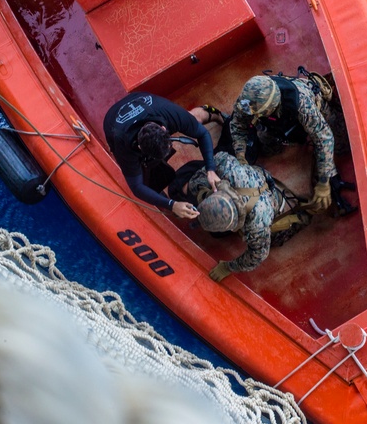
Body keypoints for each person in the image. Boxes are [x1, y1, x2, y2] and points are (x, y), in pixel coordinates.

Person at [168, 154, 311, 282]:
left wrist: (228, 267)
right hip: (251, 177)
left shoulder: (258, 223)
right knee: (190, 185)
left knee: (275, 238)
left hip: (269, 200)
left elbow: (258, 256)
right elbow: (217, 159)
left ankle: (304, 217)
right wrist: (202, 193)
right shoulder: (228, 168)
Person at [230, 69, 353, 213]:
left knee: (342, 146)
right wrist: (241, 156)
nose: (250, 114)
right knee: (267, 147)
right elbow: (238, 125)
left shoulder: (302, 102)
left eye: (257, 113)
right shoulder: (248, 101)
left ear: (272, 106)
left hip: (313, 113)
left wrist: (324, 182)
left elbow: (324, 138)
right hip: (275, 122)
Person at [102, 92, 226, 219]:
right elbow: (136, 186)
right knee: (144, 177)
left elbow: (203, 134)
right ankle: (157, 190)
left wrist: (210, 169)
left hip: (146, 103)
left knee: (191, 119)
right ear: (140, 148)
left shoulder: (168, 112)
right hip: (113, 120)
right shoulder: (123, 145)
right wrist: (171, 205)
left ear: (163, 128)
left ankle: (214, 114)